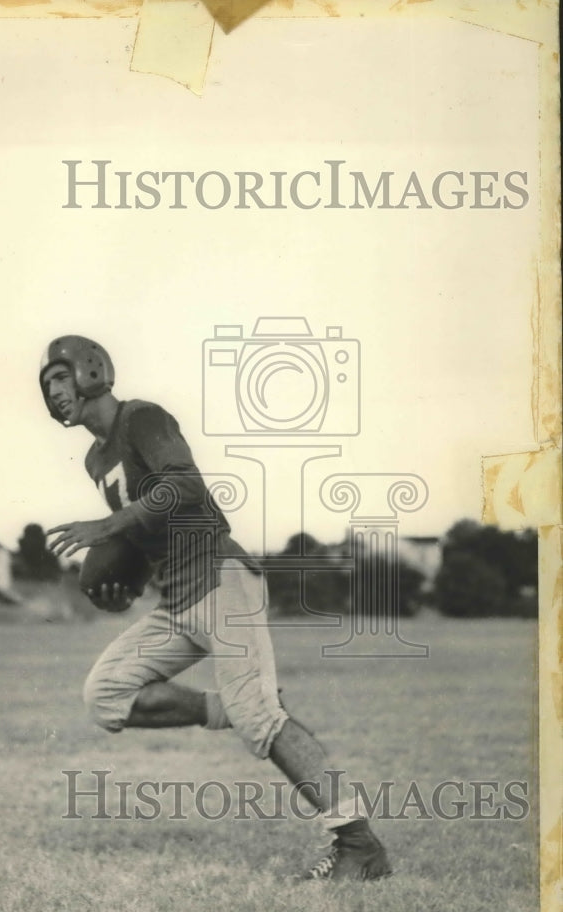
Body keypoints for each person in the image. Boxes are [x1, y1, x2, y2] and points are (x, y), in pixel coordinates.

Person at [42, 334, 391, 881]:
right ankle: (236, 704)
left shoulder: (142, 418)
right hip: (175, 596)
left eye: (60, 377)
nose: (54, 392)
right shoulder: (96, 457)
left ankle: (360, 844)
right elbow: (142, 532)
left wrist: (109, 525)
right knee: (105, 695)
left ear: (90, 369)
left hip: (218, 577)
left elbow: (184, 485)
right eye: (47, 385)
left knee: (261, 719)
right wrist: (118, 588)